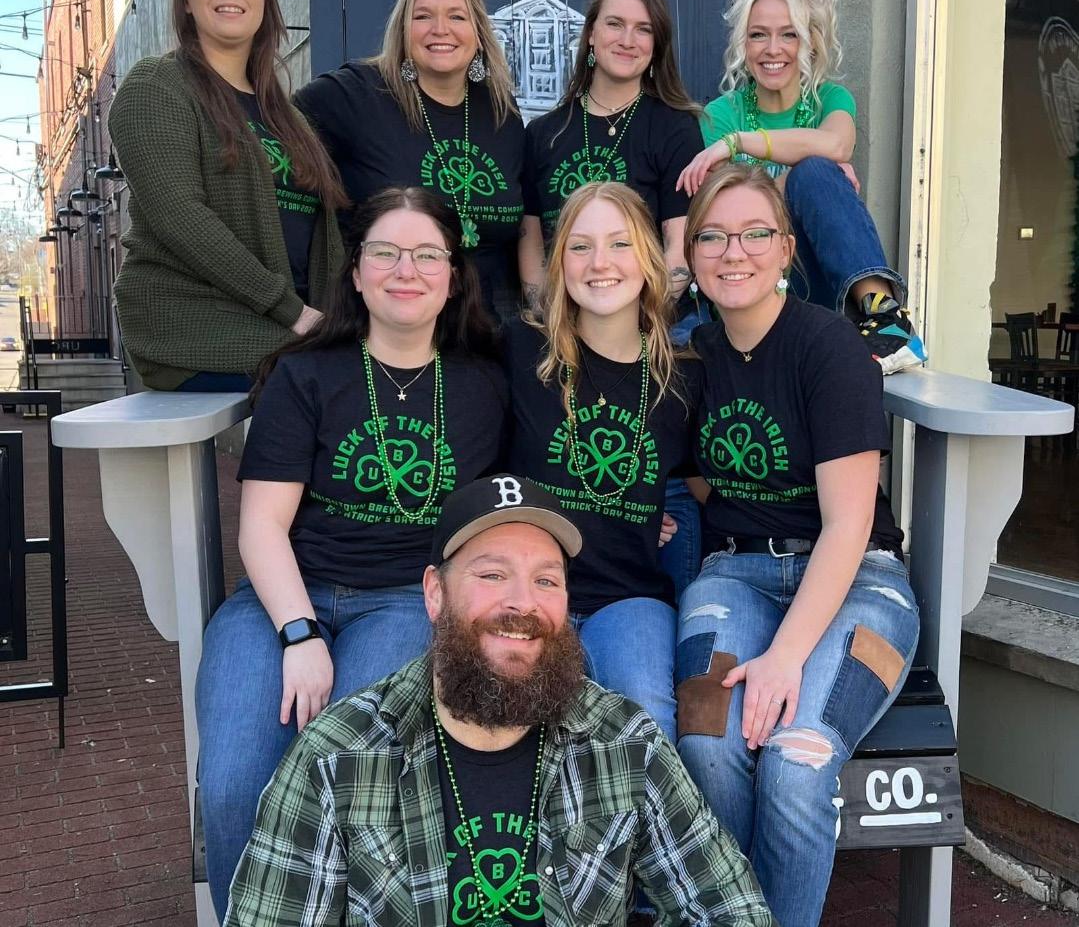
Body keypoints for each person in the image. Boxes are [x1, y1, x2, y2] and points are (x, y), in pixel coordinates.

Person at [224, 474, 776, 927]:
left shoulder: (624, 741)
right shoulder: (338, 756)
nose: (522, 603)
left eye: (546, 581)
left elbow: (729, 908)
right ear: (435, 593)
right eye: (492, 574)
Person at [195, 187, 508, 918]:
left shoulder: (484, 384)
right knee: (235, 778)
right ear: (357, 273)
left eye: (427, 254)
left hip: (402, 601)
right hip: (281, 597)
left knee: (348, 767)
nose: (406, 269)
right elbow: (262, 525)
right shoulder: (306, 374)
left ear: (454, 275)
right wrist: (298, 633)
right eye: (385, 253)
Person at [674, 164, 920, 927]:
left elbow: (846, 523)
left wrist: (783, 656)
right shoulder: (690, 356)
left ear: (786, 248)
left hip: (858, 579)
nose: (732, 251)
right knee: (708, 739)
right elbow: (697, 480)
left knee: (797, 756)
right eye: (712, 236)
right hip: (734, 575)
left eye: (754, 233)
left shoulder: (829, 347)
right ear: (690, 252)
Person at [109, 0, 346, 391]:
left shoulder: (286, 115)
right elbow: (180, 217)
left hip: (288, 323)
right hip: (197, 324)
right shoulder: (155, 86)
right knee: (340, 387)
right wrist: (293, 312)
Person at [505, 181, 701, 742]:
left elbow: (706, 485)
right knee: (512, 724)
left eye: (620, 244)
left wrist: (650, 507)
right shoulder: (520, 350)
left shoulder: (683, 376)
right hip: (528, 590)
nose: (600, 264)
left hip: (628, 597)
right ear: (559, 262)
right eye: (581, 246)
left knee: (643, 716)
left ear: (649, 258)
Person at [677, 0, 926, 374]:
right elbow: (735, 215)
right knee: (812, 173)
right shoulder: (721, 114)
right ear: (743, 43)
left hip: (814, 286)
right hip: (748, 282)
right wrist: (804, 175)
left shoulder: (831, 99)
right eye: (758, 34)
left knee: (815, 170)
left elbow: (837, 145)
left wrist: (740, 145)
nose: (772, 49)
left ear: (810, 41)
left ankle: (886, 320)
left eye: (788, 34)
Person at [294, 0, 525, 321]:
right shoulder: (358, 94)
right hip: (382, 327)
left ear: (479, 33)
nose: (440, 29)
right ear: (403, 29)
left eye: (457, 17)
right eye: (422, 16)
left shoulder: (501, 112)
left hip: (486, 333)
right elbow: (273, 123)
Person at [518, 0, 702, 310]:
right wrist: (550, 320)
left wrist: (632, 324)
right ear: (591, 33)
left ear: (656, 44)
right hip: (560, 322)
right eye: (615, 24)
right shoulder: (543, 133)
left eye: (643, 29)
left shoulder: (676, 128)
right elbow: (531, 243)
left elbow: (680, 247)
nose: (628, 40)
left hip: (648, 321)